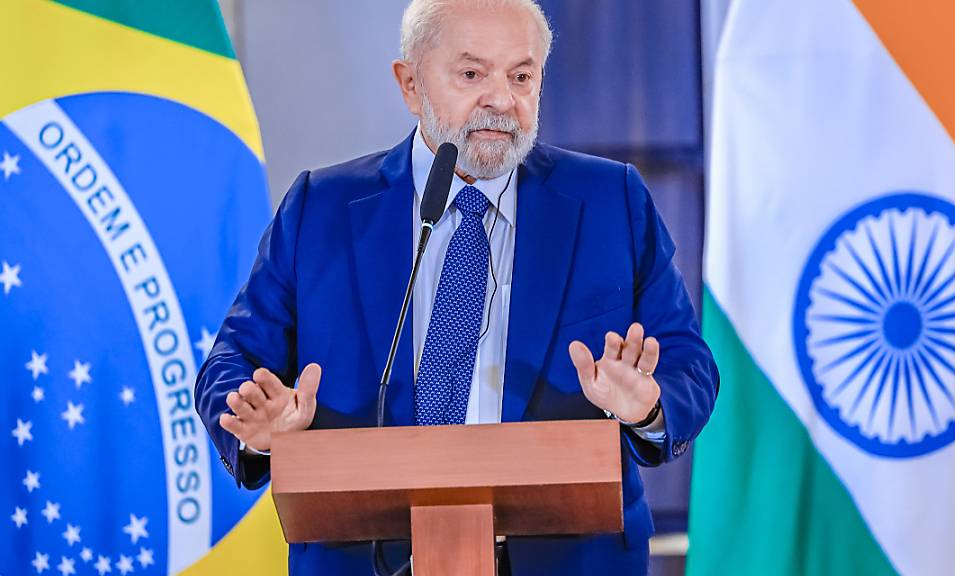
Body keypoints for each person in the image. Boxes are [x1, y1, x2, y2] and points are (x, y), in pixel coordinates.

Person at [194, 0, 719, 574]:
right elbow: (234, 361)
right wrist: (257, 424)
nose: (501, 99)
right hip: (366, 559)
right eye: (472, 74)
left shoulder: (610, 201)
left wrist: (647, 408)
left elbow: (688, 363)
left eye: (522, 76)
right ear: (411, 84)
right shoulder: (321, 208)